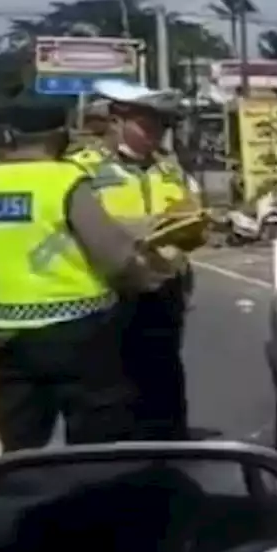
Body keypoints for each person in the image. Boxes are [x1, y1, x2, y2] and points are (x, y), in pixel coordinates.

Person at [0, 158, 178, 452]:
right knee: (97, 445)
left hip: (10, 338)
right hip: (83, 333)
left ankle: (23, 493)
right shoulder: (63, 179)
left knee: (19, 444)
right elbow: (115, 259)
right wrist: (148, 278)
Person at [77, 79, 204, 440]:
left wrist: (192, 229)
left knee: (164, 379)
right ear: (116, 122)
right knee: (109, 386)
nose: (156, 135)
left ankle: (168, 449)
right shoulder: (83, 170)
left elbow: (191, 219)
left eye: (161, 127)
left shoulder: (169, 170)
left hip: (164, 289)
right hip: (109, 292)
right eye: (147, 126)